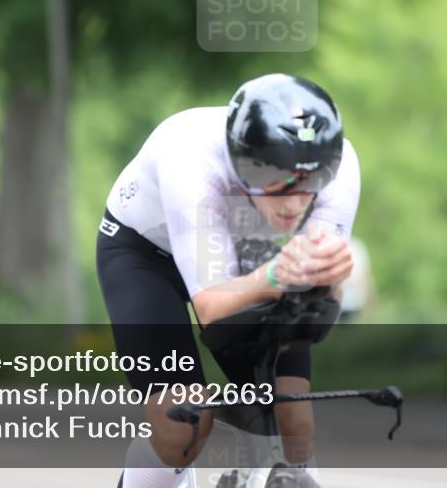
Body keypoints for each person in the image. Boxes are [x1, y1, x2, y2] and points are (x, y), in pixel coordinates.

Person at [97, 73, 360, 488]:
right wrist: (277, 274)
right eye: (277, 184)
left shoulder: (339, 167)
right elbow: (212, 309)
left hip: (253, 254)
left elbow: (317, 299)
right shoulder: (193, 161)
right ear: (243, 164)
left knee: (294, 423)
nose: (294, 204)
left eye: (309, 185)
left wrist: (328, 279)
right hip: (146, 254)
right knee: (182, 427)